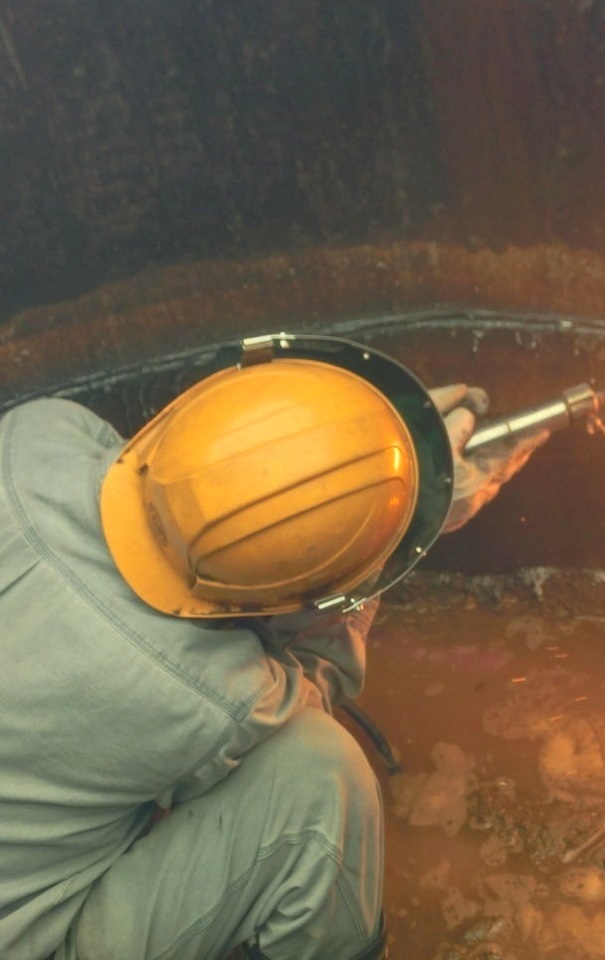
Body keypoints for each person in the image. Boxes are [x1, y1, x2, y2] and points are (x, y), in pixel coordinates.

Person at [0, 335, 544, 960]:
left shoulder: (33, 436)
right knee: (318, 782)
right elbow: (313, 686)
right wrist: (397, 531)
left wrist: (354, 460)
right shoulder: (217, 698)